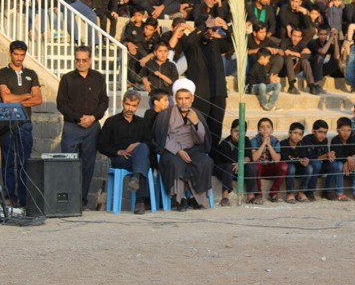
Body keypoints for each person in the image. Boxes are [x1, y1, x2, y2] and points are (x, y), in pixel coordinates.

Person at [56, 46, 109, 210]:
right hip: (73, 127)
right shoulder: (67, 79)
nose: (81, 63)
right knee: (68, 164)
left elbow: (103, 101)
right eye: (77, 60)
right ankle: (67, 201)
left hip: (92, 127)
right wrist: (79, 118)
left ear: (90, 60)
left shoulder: (98, 78)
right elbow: (61, 104)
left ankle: (81, 201)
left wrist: (93, 117)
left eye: (84, 60)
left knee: (87, 165)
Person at [153, 78, 214, 211]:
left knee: (205, 161)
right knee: (176, 163)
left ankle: (196, 198)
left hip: (193, 149)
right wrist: (178, 151)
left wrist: (196, 124)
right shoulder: (165, 115)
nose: (184, 101)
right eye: (180, 98)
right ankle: (180, 199)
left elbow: (201, 141)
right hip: (172, 151)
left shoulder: (197, 115)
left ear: (192, 98)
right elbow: (162, 137)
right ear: (175, 98)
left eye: (187, 98)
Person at [0, 41, 41, 208]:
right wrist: (27, 95)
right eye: (16, 54)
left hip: (25, 123)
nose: (19, 58)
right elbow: (5, 99)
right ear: (10, 53)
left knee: (24, 162)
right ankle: (9, 197)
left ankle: (24, 199)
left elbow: (38, 99)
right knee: (8, 161)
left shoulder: (31, 73)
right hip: (7, 123)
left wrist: (17, 98)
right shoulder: (2, 73)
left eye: (22, 55)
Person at [97, 90, 151, 215]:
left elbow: (151, 143)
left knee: (142, 148)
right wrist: (118, 152)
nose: (130, 109)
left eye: (134, 106)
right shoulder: (111, 121)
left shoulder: (142, 123)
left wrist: (137, 144)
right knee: (144, 162)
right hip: (120, 160)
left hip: (137, 158)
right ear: (123, 103)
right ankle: (140, 201)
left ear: (137, 106)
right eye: (128, 104)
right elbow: (101, 145)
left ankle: (135, 178)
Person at [182, 15, 229, 150]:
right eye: (207, 29)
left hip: (218, 93)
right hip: (201, 94)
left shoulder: (215, 43)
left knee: (216, 131)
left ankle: (212, 162)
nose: (209, 32)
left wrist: (227, 28)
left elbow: (232, 44)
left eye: (212, 29)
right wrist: (205, 26)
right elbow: (188, 41)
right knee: (199, 129)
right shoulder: (191, 45)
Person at [214, 119, 258, 207]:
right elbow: (231, 159)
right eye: (236, 131)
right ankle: (225, 197)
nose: (238, 134)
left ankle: (250, 196)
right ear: (231, 131)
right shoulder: (225, 143)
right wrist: (242, 158)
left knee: (252, 167)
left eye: (241, 132)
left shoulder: (246, 140)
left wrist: (242, 162)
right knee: (229, 166)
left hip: (238, 168)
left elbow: (249, 157)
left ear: (245, 133)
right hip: (223, 170)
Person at [250, 117, 287, 203]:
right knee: (256, 165)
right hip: (258, 169)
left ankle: (273, 194)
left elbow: (277, 159)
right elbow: (254, 158)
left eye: (268, 127)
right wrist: (263, 143)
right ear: (258, 130)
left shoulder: (275, 141)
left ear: (272, 130)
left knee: (284, 166)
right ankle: (258, 195)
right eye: (262, 127)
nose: (265, 129)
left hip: (270, 168)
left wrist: (269, 145)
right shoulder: (254, 140)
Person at [330, 117, 355, 201]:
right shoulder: (335, 140)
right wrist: (347, 159)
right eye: (343, 130)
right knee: (338, 166)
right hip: (339, 162)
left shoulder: (353, 138)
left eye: (348, 130)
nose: (346, 133)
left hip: (350, 162)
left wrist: (350, 159)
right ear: (337, 130)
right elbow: (337, 155)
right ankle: (339, 193)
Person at [280, 122, 312, 204]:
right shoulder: (283, 144)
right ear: (289, 133)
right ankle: (290, 193)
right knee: (291, 167)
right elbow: (285, 159)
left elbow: (305, 157)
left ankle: (301, 193)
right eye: (295, 133)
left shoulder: (302, 145)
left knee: (309, 168)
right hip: (289, 170)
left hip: (299, 168)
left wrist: (306, 161)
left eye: (300, 134)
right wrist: (298, 161)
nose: (297, 136)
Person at [303, 119, 333, 201]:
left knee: (333, 165)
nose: (322, 135)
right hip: (308, 166)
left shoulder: (325, 140)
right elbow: (310, 157)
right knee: (316, 164)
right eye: (320, 132)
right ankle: (310, 191)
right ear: (313, 131)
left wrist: (330, 157)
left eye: (325, 133)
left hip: (319, 166)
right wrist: (325, 156)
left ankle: (327, 191)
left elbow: (325, 155)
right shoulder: (307, 139)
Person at [280, 28, 316, 95]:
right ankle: (291, 86)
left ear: (301, 38)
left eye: (298, 37)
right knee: (289, 59)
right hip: (284, 69)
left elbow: (308, 55)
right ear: (290, 35)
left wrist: (293, 53)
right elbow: (283, 55)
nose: (296, 39)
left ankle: (311, 85)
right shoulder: (284, 42)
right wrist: (300, 55)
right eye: (294, 36)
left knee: (305, 61)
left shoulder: (302, 44)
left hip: (295, 69)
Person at [308, 27, 341, 91]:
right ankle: (317, 83)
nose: (323, 36)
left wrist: (335, 38)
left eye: (325, 34)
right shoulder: (313, 42)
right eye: (321, 34)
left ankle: (318, 82)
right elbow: (322, 52)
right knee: (320, 57)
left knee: (335, 61)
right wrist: (331, 38)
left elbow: (337, 56)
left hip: (320, 68)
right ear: (318, 34)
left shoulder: (327, 43)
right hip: (312, 67)